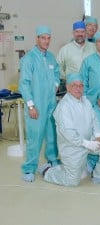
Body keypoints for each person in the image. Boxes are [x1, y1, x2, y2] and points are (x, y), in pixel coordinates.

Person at [39, 73, 100, 186]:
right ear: (67, 87)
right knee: (72, 181)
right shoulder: (64, 107)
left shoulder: (86, 101)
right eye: (75, 85)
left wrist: (98, 136)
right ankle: (48, 170)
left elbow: (94, 120)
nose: (78, 88)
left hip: (89, 140)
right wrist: (87, 144)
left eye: (81, 85)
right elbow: (69, 133)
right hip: (72, 147)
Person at [19, 26, 60, 182]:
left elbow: (56, 72)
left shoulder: (50, 57)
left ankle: (52, 159)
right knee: (35, 137)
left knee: (51, 134)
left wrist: (56, 85)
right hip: (36, 106)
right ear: (37, 39)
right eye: (43, 38)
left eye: (48, 38)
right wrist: (30, 105)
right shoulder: (29, 59)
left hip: (50, 104)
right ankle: (29, 168)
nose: (46, 41)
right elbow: (24, 84)